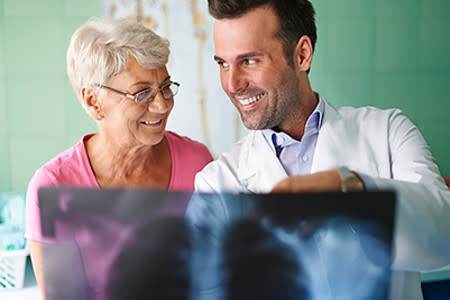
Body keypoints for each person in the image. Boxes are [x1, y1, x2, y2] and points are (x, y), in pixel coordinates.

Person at [187, 1, 450, 300]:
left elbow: (445, 235)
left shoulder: (388, 131)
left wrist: (350, 190)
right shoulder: (217, 183)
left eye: (249, 61)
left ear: (302, 54)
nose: (232, 83)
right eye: (222, 63)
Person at [25, 17, 213, 299]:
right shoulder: (52, 187)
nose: (162, 105)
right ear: (93, 102)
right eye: (142, 93)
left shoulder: (197, 162)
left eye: (165, 86)